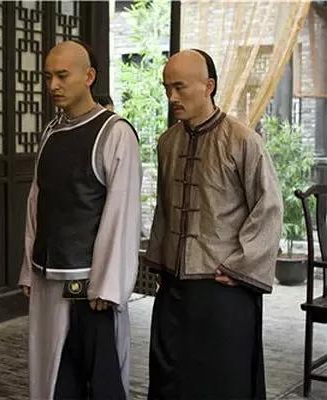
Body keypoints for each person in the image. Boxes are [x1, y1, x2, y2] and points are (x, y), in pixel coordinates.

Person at [143, 49, 283, 400]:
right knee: (170, 380)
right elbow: (164, 209)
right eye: (166, 88)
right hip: (174, 290)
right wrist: (160, 262)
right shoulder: (167, 143)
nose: (172, 97)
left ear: (209, 86)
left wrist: (241, 265)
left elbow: (268, 207)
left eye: (180, 87)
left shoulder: (242, 140)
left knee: (223, 383)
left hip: (224, 289)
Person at [18, 40, 141, 399]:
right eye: (48, 77)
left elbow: (122, 213)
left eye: (62, 76)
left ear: (89, 76)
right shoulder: (51, 132)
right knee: (56, 376)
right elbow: (37, 203)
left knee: (100, 380)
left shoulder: (114, 132)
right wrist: (29, 268)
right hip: (48, 275)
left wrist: (108, 285)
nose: (53, 85)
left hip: (89, 285)